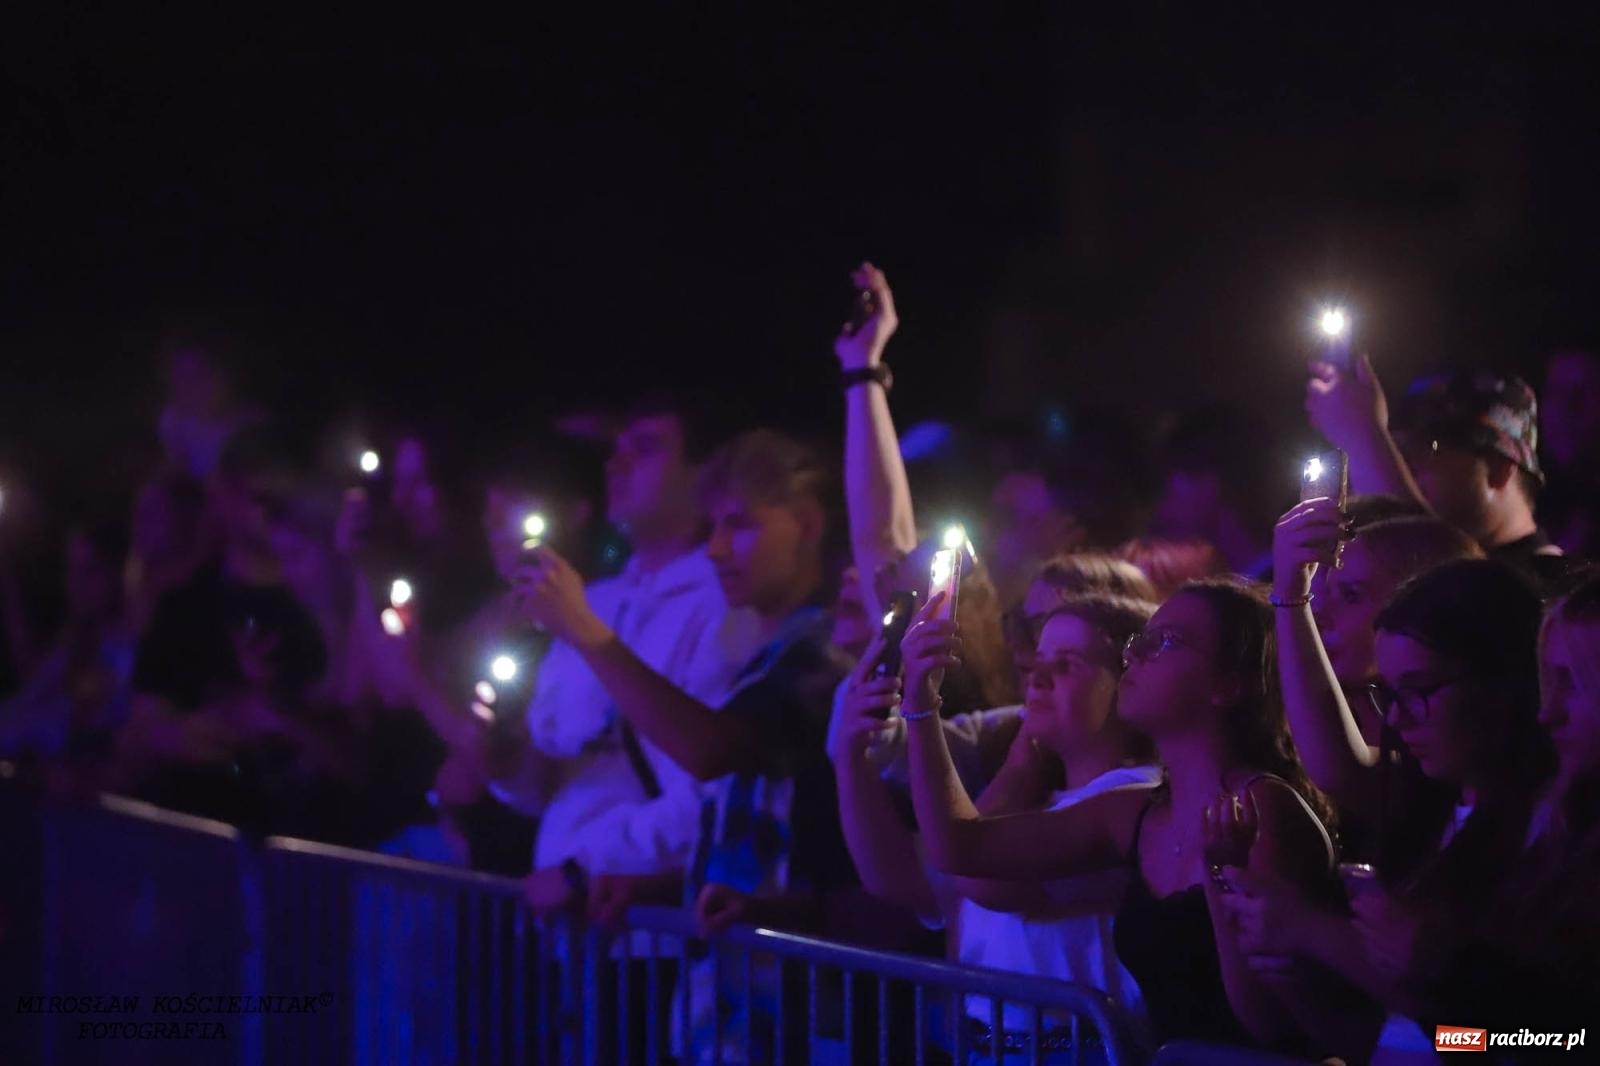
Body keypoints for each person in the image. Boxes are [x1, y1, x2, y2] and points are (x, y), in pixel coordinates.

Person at [515, 428, 850, 1064]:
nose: (719, 548)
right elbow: (748, 834)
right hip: (730, 1008)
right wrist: (661, 885)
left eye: (741, 525)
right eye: (715, 527)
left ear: (807, 524)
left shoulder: (825, 653)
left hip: (798, 1017)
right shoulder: (768, 653)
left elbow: (710, 751)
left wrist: (587, 630)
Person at [900, 577, 1340, 1055]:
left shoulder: (1264, 807)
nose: (1135, 656)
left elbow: (1267, 1022)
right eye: (1139, 642)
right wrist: (921, 701)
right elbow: (958, 848)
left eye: (1165, 642)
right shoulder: (1134, 813)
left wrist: (1219, 876)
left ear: (1228, 685)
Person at [1221, 559, 1555, 1063]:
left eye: (1419, 691)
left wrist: (1318, 933)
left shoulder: (1558, 829)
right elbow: (1393, 1043)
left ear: (1507, 679)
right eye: (1389, 694)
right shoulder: (1432, 814)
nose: (1397, 719)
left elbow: (1522, 1040)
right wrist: (1297, 976)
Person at [833, 595, 1160, 1063]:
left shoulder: (1138, 796)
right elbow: (896, 878)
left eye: (1067, 664)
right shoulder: (1035, 802)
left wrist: (925, 708)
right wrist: (852, 755)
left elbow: (977, 875)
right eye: (1039, 660)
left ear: (1130, 684)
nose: (1038, 677)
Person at [1307, 361, 1579, 592]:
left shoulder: (1554, 588)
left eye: (1426, 450)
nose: (1402, 469)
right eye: (1395, 455)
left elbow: (1440, 595)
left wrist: (1363, 437)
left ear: (1498, 469)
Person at [0, 523, 137, 795]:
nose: (75, 582)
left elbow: (75, 718)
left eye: (89, 571)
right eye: (72, 569)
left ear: (115, 575)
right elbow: (35, 682)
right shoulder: (76, 636)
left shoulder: (119, 647)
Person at [1150, 407, 1284, 579]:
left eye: (1169, 484)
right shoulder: (1284, 574)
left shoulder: (1281, 588)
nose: (1162, 506)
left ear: (1211, 483)